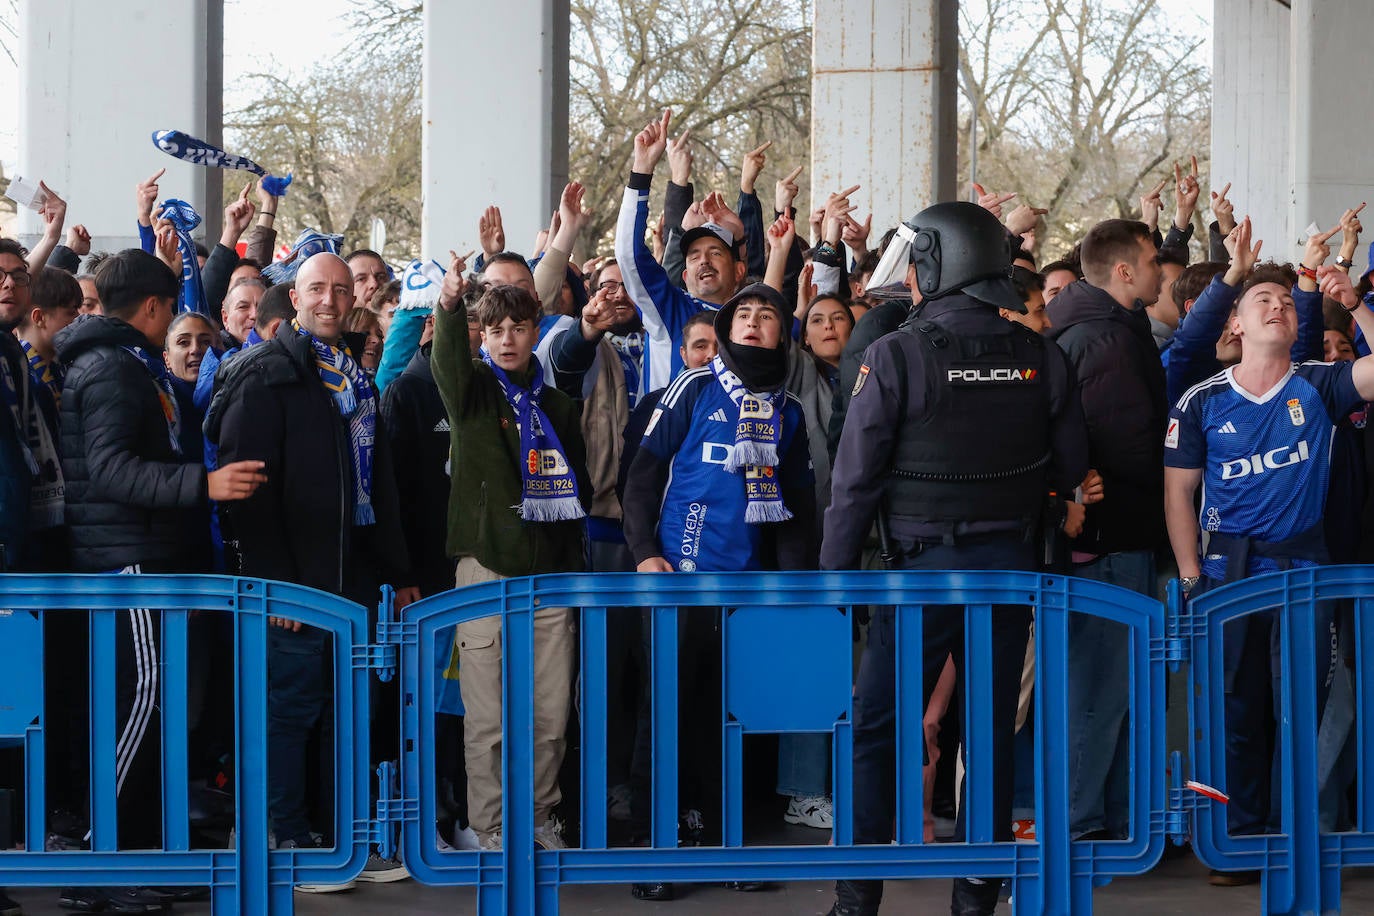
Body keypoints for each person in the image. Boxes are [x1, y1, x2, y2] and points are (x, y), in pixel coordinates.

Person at [822, 201, 1088, 916]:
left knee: (878, 733)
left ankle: (857, 900)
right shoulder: (1042, 354)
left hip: (913, 577)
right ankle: (976, 897)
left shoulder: (896, 354)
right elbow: (1070, 467)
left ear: (936, 263)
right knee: (989, 734)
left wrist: (835, 581)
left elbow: (854, 480)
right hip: (1006, 576)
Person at [55, 248, 266, 912]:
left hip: (151, 561)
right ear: (152, 308)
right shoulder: (111, 371)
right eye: (173, 307)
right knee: (140, 707)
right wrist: (204, 484)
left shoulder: (130, 365)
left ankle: (136, 852)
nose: (175, 316)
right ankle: (99, 856)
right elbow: (114, 471)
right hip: (129, 567)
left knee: (151, 712)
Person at [208, 252, 418, 888]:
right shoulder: (267, 373)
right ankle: (287, 840)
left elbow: (374, 483)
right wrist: (278, 585)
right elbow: (247, 490)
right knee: (291, 710)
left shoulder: (355, 374)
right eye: (316, 289)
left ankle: (338, 842)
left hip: (351, 574)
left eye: (340, 288)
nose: (329, 299)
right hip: (294, 584)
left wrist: (399, 568)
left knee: (344, 710)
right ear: (292, 299)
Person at [1164, 238, 1374, 862]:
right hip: (1227, 569)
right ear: (1235, 320)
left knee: (1299, 709)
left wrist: (1353, 303)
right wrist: (1189, 574)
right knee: (1235, 708)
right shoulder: (1201, 399)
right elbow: (1178, 494)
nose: (1279, 306)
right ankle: (1238, 840)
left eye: (1287, 298)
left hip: (1305, 566)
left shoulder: (1320, 384)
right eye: (1263, 298)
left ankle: (1295, 840)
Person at [430, 253, 590, 852]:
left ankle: (539, 817)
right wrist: (449, 306)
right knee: (489, 717)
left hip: (550, 574)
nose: (506, 339)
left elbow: (579, 489)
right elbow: (447, 362)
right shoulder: (470, 395)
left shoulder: (560, 407)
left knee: (549, 714)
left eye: (517, 328)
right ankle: (489, 825)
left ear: (535, 331)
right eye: (493, 330)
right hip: (485, 567)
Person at [1044, 217, 1168, 842]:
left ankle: (1112, 822)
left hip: (1102, 538)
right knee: (1099, 690)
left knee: (1108, 689)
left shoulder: (1099, 331)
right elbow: (1128, 448)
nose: (1157, 270)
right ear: (1123, 271)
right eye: (1150, 260)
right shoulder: (1107, 342)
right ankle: (1081, 825)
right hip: (1111, 541)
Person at [616, 110, 747, 393]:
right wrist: (642, 170)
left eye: (715, 252)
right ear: (685, 275)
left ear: (738, 270)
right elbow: (630, 255)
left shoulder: (750, 317)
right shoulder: (671, 310)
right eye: (695, 255)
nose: (704, 261)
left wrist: (739, 236)